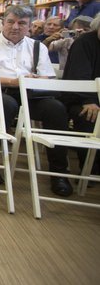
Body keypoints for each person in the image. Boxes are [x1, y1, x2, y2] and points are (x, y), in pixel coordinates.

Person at [0, 5, 72, 194]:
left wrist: (30, 81)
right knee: (6, 105)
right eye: (10, 22)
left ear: (30, 26)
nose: (15, 27)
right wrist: (14, 81)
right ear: (4, 22)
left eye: (21, 23)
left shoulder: (37, 47)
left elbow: (47, 78)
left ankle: (59, 173)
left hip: (30, 93)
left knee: (56, 109)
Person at [61, 14, 100, 174]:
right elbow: (78, 75)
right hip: (80, 98)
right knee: (89, 115)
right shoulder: (84, 42)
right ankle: (90, 169)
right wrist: (89, 99)